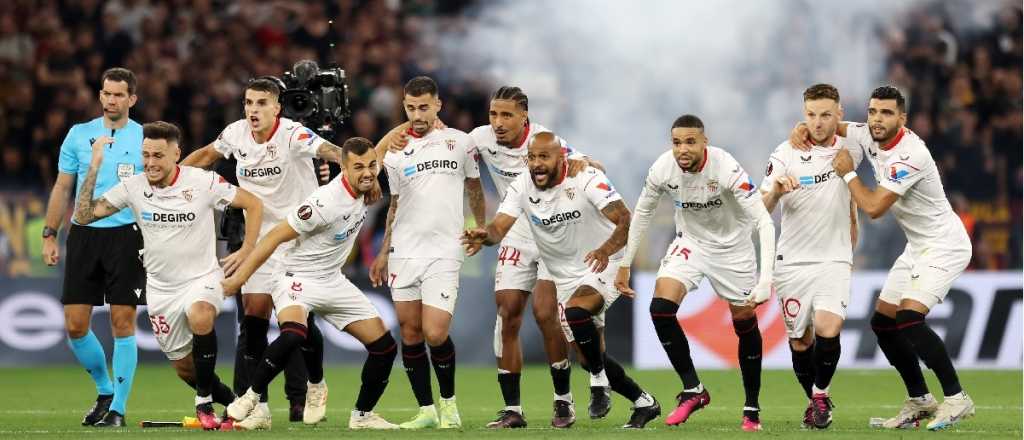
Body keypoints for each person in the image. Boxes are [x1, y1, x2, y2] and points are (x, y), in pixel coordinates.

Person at [378, 85, 602, 429]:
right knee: (507, 312)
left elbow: (590, 166)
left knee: (546, 314)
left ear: (524, 116)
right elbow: (436, 136)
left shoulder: (545, 141)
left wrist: (585, 164)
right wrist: (401, 132)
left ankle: (564, 399)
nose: (498, 122)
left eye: (506, 115)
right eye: (494, 114)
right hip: (514, 234)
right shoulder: (478, 138)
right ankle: (513, 409)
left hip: (553, 234)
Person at [181, 78, 365, 429]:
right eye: (249, 102)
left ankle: (315, 384)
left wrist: (357, 164)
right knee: (253, 319)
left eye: (262, 103)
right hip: (260, 240)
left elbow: (327, 149)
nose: (253, 110)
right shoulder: (235, 134)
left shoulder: (292, 134)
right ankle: (259, 409)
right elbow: (206, 156)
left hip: (298, 239)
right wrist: (174, 179)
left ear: (277, 108)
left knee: (297, 323)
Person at [792, 86, 975, 430]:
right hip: (917, 246)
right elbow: (830, 124)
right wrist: (800, 128)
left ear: (902, 118)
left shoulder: (910, 154)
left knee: (909, 317)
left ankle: (956, 398)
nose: (877, 119)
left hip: (945, 244)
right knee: (883, 324)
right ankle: (920, 400)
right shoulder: (867, 132)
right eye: (873, 111)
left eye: (887, 113)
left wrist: (848, 173)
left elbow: (874, 208)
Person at [72, 121, 262, 430]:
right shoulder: (134, 186)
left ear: (176, 154)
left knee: (201, 314)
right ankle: (235, 403)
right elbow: (83, 216)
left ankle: (203, 402)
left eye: (158, 155)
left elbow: (253, 204)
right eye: (146, 155)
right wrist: (93, 166)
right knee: (185, 369)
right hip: (161, 290)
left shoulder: (202, 181)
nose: (150, 163)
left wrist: (248, 250)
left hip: (202, 278)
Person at [464, 132, 661, 429]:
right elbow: (499, 229)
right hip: (564, 275)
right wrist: (485, 235)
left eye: (544, 157)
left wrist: (606, 250)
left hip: (602, 261)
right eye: (532, 157)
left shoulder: (586, 178)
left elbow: (625, 218)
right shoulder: (522, 185)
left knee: (576, 312)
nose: (537, 164)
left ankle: (598, 383)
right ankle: (644, 401)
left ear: (561, 158)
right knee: (586, 355)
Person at [222, 137, 400, 430]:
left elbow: (380, 149)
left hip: (332, 279)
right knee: (294, 334)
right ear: (343, 168)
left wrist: (419, 123)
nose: (368, 172)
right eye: (359, 167)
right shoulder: (323, 203)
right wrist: (238, 279)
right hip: (296, 276)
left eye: (371, 166)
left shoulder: (366, 176)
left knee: (385, 347)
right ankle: (251, 396)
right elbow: (273, 237)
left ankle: (362, 416)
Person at [614, 115, 776, 432]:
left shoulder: (726, 167)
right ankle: (693, 389)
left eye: (690, 142)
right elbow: (643, 213)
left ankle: (751, 408)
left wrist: (766, 280)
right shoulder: (663, 168)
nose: (682, 149)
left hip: (733, 249)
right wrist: (624, 263)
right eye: (676, 142)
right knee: (660, 309)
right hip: (691, 243)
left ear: (705, 142)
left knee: (744, 322)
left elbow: (764, 222)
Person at [369, 76, 486, 429]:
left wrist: (482, 227)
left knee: (435, 332)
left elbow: (474, 188)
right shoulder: (396, 150)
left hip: (444, 249)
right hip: (404, 250)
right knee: (409, 333)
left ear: (438, 105)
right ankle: (426, 410)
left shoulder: (460, 142)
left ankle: (449, 405)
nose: (417, 114)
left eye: (423, 107)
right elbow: (393, 204)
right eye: (410, 108)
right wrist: (383, 251)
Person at [42, 67, 145, 427]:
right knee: (75, 325)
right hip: (84, 234)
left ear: (132, 99)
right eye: (106, 93)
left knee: (123, 322)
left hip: (127, 236)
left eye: (119, 95)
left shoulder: (144, 138)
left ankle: (118, 408)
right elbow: (62, 187)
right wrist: (49, 233)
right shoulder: (78, 134)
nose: (111, 100)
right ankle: (105, 390)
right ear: (100, 95)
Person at [760, 84, 860, 429]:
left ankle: (820, 394)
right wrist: (776, 191)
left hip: (834, 258)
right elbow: (759, 209)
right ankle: (814, 402)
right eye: (811, 115)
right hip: (792, 262)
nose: (817, 123)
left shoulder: (851, 147)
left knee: (828, 329)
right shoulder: (785, 152)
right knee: (800, 342)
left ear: (839, 114)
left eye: (825, 115)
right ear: (804, 115)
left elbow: (883, 132)